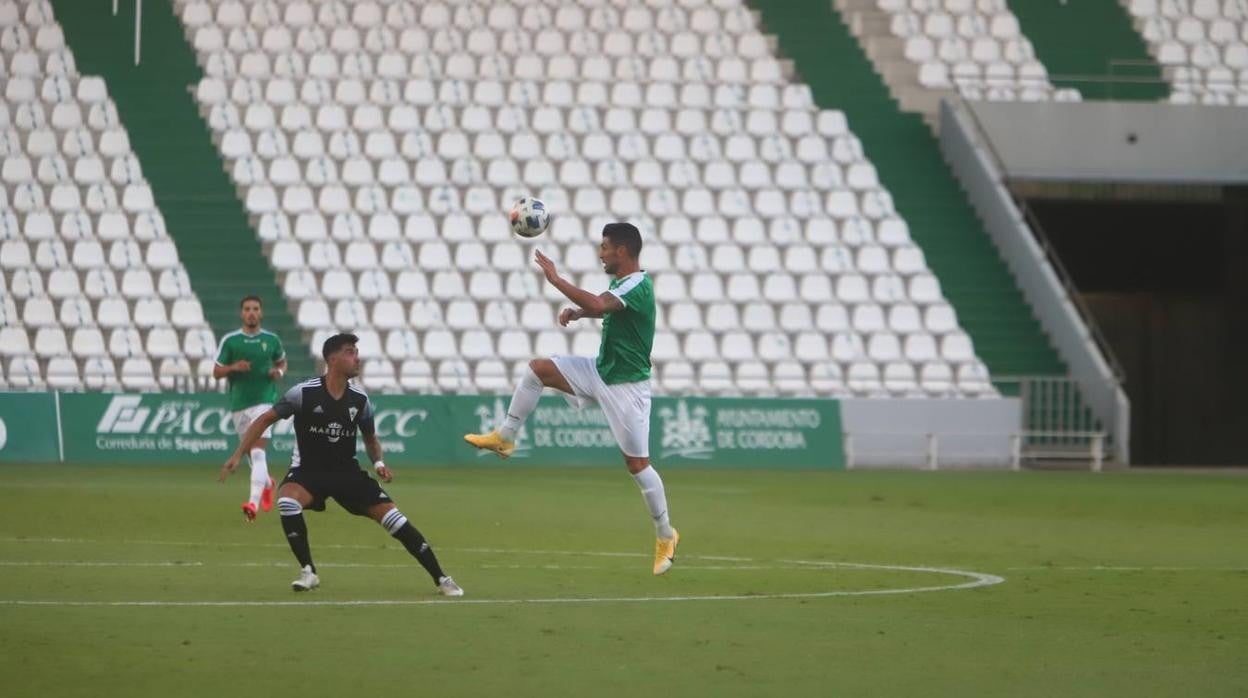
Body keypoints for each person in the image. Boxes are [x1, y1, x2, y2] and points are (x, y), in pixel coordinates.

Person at [464, 222, 680, 575]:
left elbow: (600, 302)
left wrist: (556, 279)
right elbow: (604, 306)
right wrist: (581, 314)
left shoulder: (639, 284)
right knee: (538, 370)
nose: (601, 253)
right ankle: (505, 437)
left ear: (622, 251)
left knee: (638, 466)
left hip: (627, 387)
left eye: (605, 247)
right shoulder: (625, 283)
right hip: (600, 371)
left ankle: (665, 534)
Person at [219, 333, 463, 597]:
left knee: (395, 519)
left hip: (347, 474)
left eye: (356, 351)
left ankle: (442, 578)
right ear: (332, 359)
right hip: (308, 472)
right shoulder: (303, 393)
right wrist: (237, 454)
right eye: (350, 352)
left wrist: (379, 461)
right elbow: (264, 419)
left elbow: (371, 439)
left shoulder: (360, 400)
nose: (357, 357)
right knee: (287, 502)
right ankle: (308, 571)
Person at [213, 295, 286, 521]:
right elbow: (216, 372)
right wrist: (234, 367)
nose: (251, 313)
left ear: (261, 313)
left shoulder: (271, 340)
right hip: (239, 404)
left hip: (265, 401)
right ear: (241, 313)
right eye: (247, 309)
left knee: (257, 451)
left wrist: (279, 373)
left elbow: (281, 361)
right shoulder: (231, 341)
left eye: (255, 309)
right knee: (251, 455)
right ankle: (267, 482)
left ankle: (252, 504)